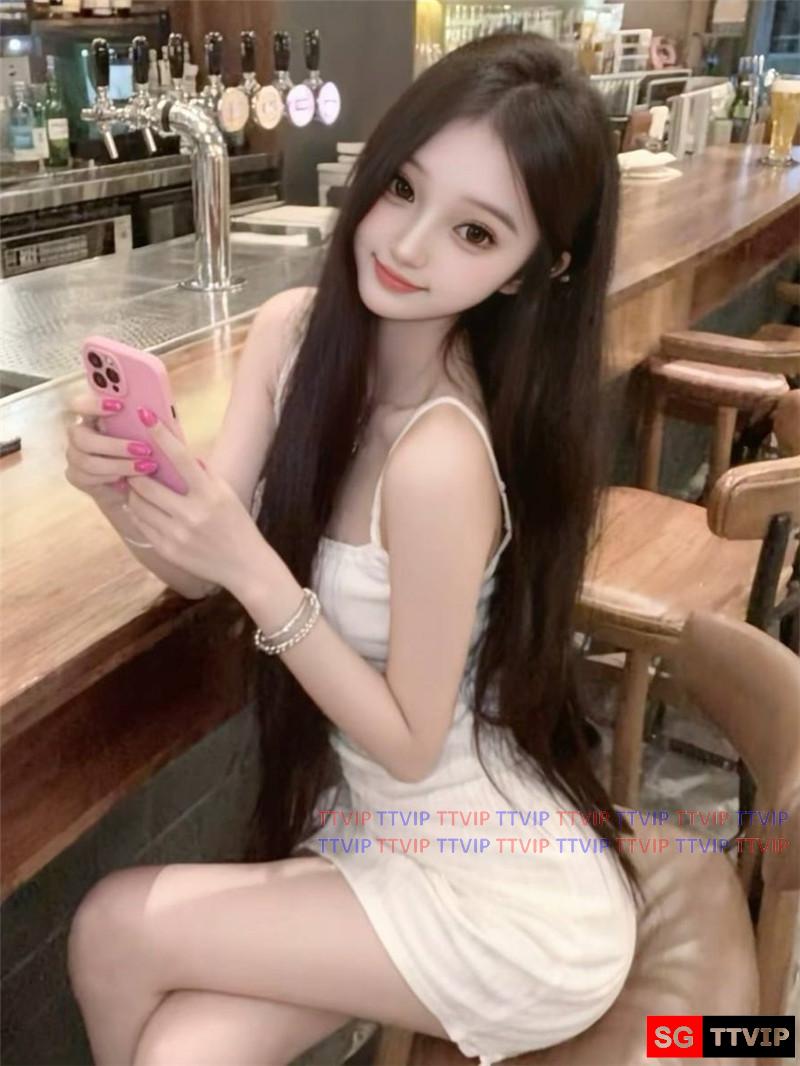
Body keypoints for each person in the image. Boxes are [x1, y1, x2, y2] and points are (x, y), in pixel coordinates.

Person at [64, 32, 642, 1066]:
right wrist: (123, 484)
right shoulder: (293, 333)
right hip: (379, 833)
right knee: (182, 1050)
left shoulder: (441, 458)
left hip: (504, 896)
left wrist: (253, 567)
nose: (409, 246)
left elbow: (411, 742)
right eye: (402, 188)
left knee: (114, 926)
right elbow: (198, 563)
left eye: (473, 232)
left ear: (532, 272)